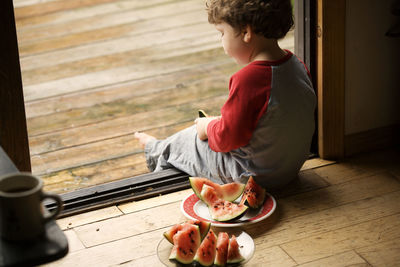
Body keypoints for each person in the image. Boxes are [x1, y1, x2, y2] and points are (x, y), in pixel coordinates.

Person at [134, 0, 316, 189]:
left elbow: (225, 139)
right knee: (214, 126)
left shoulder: (249, 79)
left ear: (246, 32)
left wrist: (207, 126)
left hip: (252, 176)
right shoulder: (297, 65)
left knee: (190, 139)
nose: (221, 40)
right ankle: (159, 150)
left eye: (222, 33)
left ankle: (155, 152)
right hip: (288, 169)